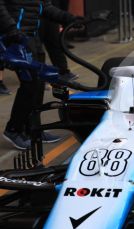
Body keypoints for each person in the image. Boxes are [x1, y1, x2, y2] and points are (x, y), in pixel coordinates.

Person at [0, 0, 79, 150]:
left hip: (30, 36)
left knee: (38, 83)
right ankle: (14, 129)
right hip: (14, 37)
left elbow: (45, 6)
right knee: (30, 84)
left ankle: (33, 128)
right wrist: (10, 29)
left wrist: (68, 18)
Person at [40, 0, 77, 79]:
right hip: (31, 17)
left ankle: (63, 72)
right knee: (37, 50)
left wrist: (67, 18)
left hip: (49, 11)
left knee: (55, 43)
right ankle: (38, 76)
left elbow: (48, 6)